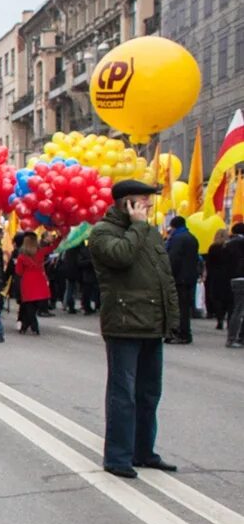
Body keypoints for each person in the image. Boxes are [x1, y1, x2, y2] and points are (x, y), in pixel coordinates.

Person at [88, 180, 179, 478]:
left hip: (152, 323)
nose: (149, 205)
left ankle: (143, 451)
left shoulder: (150, 232)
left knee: (149, 393)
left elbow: (164, 278)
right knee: (122, 394)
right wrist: (138, 226)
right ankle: (117, 457)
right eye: (143, 200)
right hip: (124, 324)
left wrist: (171, 320)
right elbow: (121, 256)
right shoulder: (102, 232)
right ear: (127, 203)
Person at [165, 214, 200, 344]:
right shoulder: (192, 237)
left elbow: (173, 259)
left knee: (178, 306)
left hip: (179, 278)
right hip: (190, 276)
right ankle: (184, 332)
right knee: (185, 306)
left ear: (173, 226)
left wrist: (168, 274)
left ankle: (181, 332)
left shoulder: (177, 239)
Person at [14, 233, 58, 335]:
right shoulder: (41, 252)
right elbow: (53, 247)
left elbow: (18, 272)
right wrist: (59, 237)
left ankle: (31, 326)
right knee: (35, 305)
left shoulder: (21, 257)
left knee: (28, 305)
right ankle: (28, 326)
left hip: (27, 282)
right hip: (40, 280)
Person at [203, 227, 233, 330]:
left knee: (217, 297)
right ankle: (229, 320)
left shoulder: (213, 247)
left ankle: (219, 319)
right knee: (229, 298)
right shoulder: (229, 247)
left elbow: (209, 263)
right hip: (228, 275)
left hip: (215, 275)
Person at [226, 222, 244, 348]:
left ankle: (232, 337)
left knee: (236, 309)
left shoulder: (228, 244)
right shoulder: (241, 243)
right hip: (242, 277)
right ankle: (237, 337)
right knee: (239, 310)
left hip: (233, 278)